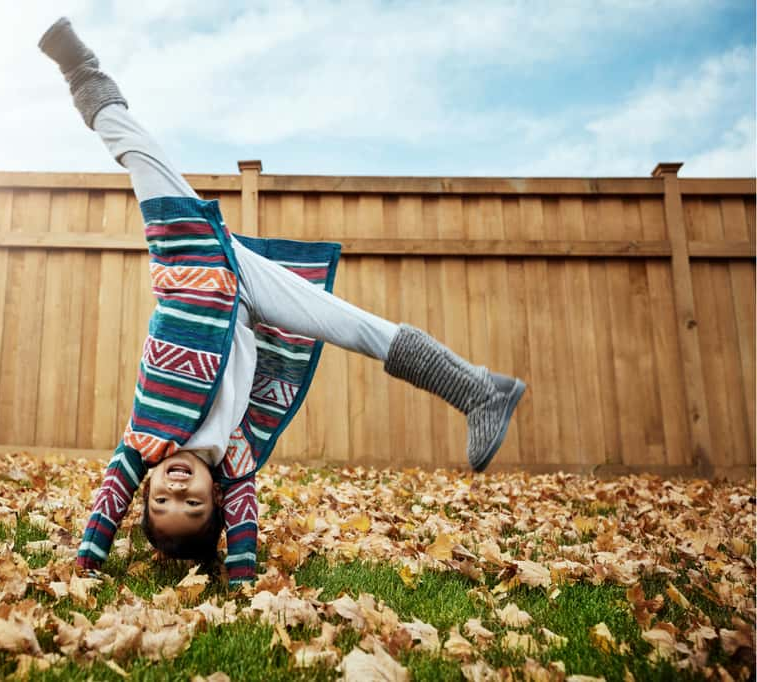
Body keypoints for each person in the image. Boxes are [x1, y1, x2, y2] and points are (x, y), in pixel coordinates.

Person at [38, 17, 526, 585]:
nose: (177, 491)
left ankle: (81, 71)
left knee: (140, 154)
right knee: (358, 329)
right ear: (215, 499)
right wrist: (242, 578)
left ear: (141, 490)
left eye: (159, 502)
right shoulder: (236, 460)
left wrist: (86, 562)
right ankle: (481, 391)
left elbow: (105, 507)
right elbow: (244, 525)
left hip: (191, 273)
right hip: (247, 296)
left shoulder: (140, 440)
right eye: (193, 506)